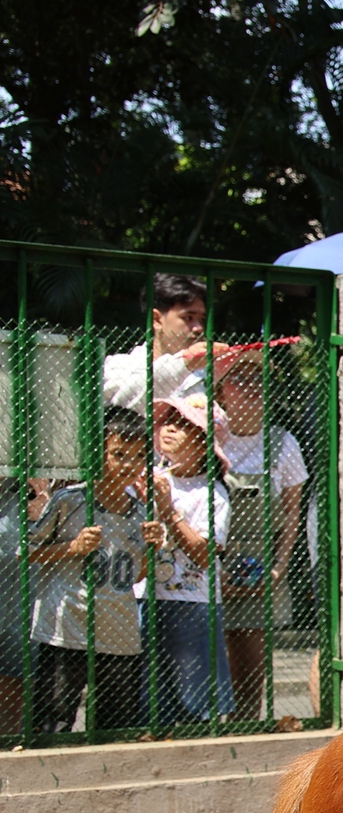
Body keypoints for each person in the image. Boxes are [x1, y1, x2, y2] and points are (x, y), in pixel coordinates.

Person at [23, 407, 166, 732]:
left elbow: (137, 575)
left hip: (118, 633)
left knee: (114, 727)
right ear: (95, 452)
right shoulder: (69, 501)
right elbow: (26, 552)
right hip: (66, 631)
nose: (128, 464)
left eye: (136, 456)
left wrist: (152, 548)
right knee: (52, 723)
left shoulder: (143, 510)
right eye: (118, 454)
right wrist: (71, 548)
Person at [212, 348, 307, 721]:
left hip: (259, 570)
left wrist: (278, 568)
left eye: (260, 381)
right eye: (241, 379)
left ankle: (247, 731)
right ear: (220, 392)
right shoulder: (205, 437)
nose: (252, 388)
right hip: (205, 567)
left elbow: (292, 512)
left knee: (251, 675)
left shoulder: (284, 444)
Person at [144, 391, 233, 721]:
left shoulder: (212, 494)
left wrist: (168, 511)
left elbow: (205, 555)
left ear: (203, 444)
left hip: (191, 601)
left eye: (182, 425)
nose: (169, 428)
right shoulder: (142, 479)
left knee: (193, 697)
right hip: (143, 597)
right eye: (167, 421)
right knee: (150, 693)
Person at [102, 274, 208, 411]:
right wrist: (183, 364)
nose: (199, 328)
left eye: (201, 320)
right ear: (156, 319)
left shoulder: (209, 373)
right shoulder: (119, 367)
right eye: (188, 318)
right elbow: (125, 403)